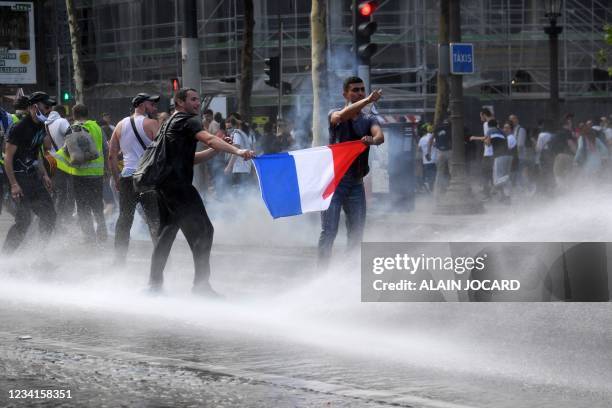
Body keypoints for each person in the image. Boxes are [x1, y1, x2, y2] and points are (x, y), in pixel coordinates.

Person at [148, 88, 254, 295]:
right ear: (180, 102)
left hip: (164, 186)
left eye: (198, 99)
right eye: (193, 99)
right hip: (178, 187)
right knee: (204, 232)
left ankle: (154, 285)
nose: (197, 103)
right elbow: (211, 139)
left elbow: (191, 158)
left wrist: (216, 150)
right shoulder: (187, 121)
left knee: (166, 233)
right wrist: (238, 151)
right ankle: (201, 286)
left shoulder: (169, 123)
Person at [318, 76, 384, 269]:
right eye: (355, 90)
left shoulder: (369, 119)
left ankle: (349, 273)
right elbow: (341, 117)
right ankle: (321, 275)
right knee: (329, 230)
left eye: (362, 90)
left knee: (356, 232)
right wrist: (368, 101)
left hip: (356, 183)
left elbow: (379, 136)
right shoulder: (335, 113)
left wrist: (372, 140)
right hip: (334, 182)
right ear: (345, 93)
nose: (360, 93)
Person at [109, 93, 161, 265]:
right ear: (142, 105)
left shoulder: (119, 125)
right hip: (147, 178)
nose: (155, 107)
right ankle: (161, 260)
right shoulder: (152, 124)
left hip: (127, 177)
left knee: (124, 219)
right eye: (151, 104)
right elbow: (163, 153)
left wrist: (117, 179)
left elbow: (112, 156)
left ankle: (118, 260)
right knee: (154, 219)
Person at [2, 92, 56, 254]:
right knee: (24, 220)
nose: (49, 110)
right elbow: (8, 158)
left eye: (50, 107)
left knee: (50, 216)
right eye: (46, 106)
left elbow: (37, 152)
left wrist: (44, 174)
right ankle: (6, 257)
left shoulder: (40, 125)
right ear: (34, 107)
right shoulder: (19, 127)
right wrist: (13, 184)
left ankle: (39, 255)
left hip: (34, 177)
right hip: (18, 178)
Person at [55, 104, 107, 242]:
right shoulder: (97, 128)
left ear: (74, 115)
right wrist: (106, 169)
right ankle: (102, 234)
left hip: (79, 175)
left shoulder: (72, 129)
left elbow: (67, 151)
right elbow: (105, 149)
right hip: (97, 174)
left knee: (83, 207)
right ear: (87, 113)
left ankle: (89, 236)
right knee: (97, 206)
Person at [44, 105, 73, 223]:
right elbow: (71, 137)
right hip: (64, 163)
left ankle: (53, 217)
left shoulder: (45, 123)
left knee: (56, 192)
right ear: (62, 113)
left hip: (51, 162)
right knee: (66, 193)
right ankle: (60, 219)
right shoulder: (62, 121)